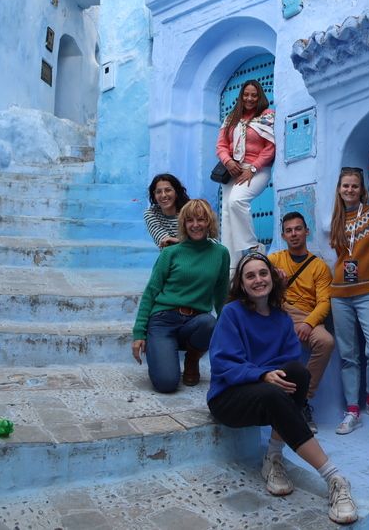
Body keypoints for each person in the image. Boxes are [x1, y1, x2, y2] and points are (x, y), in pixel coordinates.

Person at [208, 253, 359, 525]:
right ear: (241, 284)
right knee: (272, 392)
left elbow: (288, 362)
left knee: (298, 374)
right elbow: (222, 365)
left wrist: (270, 375)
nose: (258, 280)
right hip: (228, 398)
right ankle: (334, 478)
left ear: (272, 278)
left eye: (263, 274)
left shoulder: (281, 318)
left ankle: (273, 459)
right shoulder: (232, 313)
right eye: (250, 276)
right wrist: (262, 374)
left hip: (266, 393)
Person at [132, 199, 230, 393]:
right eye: (190, 220)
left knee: (211, 323)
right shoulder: (171, 253)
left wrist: (231, 329)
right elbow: (151, 291)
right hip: (163, 321)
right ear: (183, 224)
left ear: (209, 222)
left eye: (201, 220)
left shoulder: (220, 253)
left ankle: (192, 357)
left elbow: (221, 294)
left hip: (196, 322)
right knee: (166, 384)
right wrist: (139, 333)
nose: (195, 225)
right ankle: (161, 348)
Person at [328, 167, 369, 434]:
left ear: (362, 190)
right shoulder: (336, 220)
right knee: (348, 355)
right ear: (339, 189)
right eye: (345, 186)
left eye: (354, 186)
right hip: (340, 294)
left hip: (368, 292)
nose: (349, 190)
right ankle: (352, 409)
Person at [268, 212, 335, 433]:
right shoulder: (274, 260)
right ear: (283, 235)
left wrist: (309, 323)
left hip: (306, 315)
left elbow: (324, 302)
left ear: (307, 231)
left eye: (298, 229)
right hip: (278, 311)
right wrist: (274, 281)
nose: (294, 234)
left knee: (325, 341)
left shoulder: (319, 267)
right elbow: (251, 279)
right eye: (289, 230)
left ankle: (302, 399)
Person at [215, 80, 275, 262]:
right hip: (232, 170)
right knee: (226, 213)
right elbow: (221, 145)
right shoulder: (231, 118)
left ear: (260, 97)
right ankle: (231, 265)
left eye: (254, 95)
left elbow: (270, 147)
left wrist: (253, 168)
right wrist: (228, 161)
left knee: (237, 201)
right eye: (246, 94)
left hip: (256, 170)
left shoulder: (268, 116)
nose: (249, 98)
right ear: (241, 96)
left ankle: (253, 246)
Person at [143, 173, 190, 248]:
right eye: (158, 192)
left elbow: (210, 241)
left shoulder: (191, 211)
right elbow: (166, 244)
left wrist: (178, 241)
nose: (163, 195)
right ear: (154, 196)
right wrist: (190, 241)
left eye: (168, 190)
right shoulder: (151, 214)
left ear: (176, 192)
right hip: (171, 257)